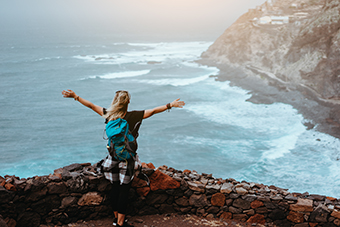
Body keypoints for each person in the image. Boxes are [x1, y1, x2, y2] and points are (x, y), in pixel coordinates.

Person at [61, 89, 185, 227]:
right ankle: (120, 223)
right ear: (128, 102)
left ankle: (116, 220)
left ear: (115, 101)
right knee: (124, 190)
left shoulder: (109, 114)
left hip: (112, 158)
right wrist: (170, 105)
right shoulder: (134, 116)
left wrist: (75, 96)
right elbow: (154, 111)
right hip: (128, 160)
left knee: (114, 188)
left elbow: (91, 105)